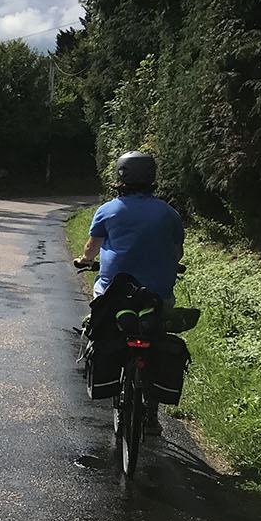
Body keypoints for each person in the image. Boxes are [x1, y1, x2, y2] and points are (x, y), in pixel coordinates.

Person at [75, 149, 185, 433]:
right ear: (152, 179)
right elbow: (177, 251)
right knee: (157, 334)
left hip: (115, 291)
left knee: (102, 320)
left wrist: (85, 261)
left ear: (119, 179)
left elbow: (91, 249)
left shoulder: (108, 210)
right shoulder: (168, 212)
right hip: (157, 293)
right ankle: (151, 414)